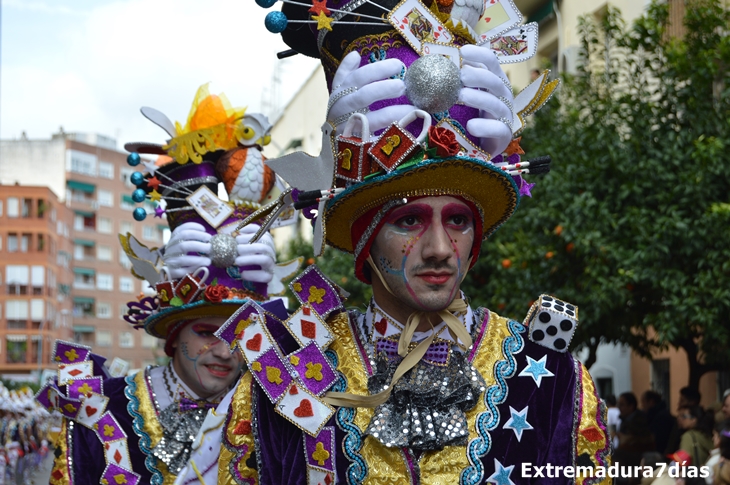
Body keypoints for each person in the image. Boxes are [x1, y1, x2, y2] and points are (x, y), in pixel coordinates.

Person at [177, 0, 613, 482]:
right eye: (408, 221)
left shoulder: (552, 380)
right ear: (366, 240)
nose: (441, 250)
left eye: (459, 221)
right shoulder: (284, 377)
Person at [35, 87, 298, 484]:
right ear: (174, 335)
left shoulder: (279, 420)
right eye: (208, 331)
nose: (226, 350)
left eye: (242, 334)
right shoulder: (105, 409)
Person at [615, 392, 655, 473]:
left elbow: (645, 439)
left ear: (631, 406)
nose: (619, 407)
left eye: (622, 405)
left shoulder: (640, 420)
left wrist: (627, 438)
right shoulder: (624, 419)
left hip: (639, 455)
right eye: (618, 404)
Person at [643, 390, 677, 455]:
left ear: (651, 402)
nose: (642, 406)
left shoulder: (660, 417)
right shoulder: (656, 415)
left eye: (643, 402)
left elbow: (657, 439)